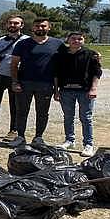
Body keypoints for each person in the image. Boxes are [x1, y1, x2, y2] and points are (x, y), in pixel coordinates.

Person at [9, 18, 66, 148]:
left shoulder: (58, 44)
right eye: (37, 26)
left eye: (43, 26)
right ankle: (20, 136)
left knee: (42, 112)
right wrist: (15, 82)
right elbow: (13, 65)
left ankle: (38, 137)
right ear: (32, 28)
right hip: (24, 83)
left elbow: (69, 58)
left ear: (49, 27)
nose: (40, 28)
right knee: (21, 111)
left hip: (46, 84)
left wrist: (93, 55)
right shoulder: (23, 43)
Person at [54, 32, 102, 157]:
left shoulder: (91, 55)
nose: (76, 41)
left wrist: (93, 89)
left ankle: (88, 144)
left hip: (85, 91)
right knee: (68, 116)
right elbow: (56, 75)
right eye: (73, 39)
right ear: (68, 40)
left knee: (86, 118)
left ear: (84, 40)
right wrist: (56, 91)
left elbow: (97, 72)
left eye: (79, 39)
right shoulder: (60, 55)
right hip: (66, 90)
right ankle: (69, 140)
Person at [0, 14, 29, 141]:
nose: (13, 25)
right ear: (7, 25)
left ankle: (14, 130)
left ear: (21, 25)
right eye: (10, 23)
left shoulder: (27, 41)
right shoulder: (0, 40)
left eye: (16, 23)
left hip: (16, 75)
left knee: (15, 104)